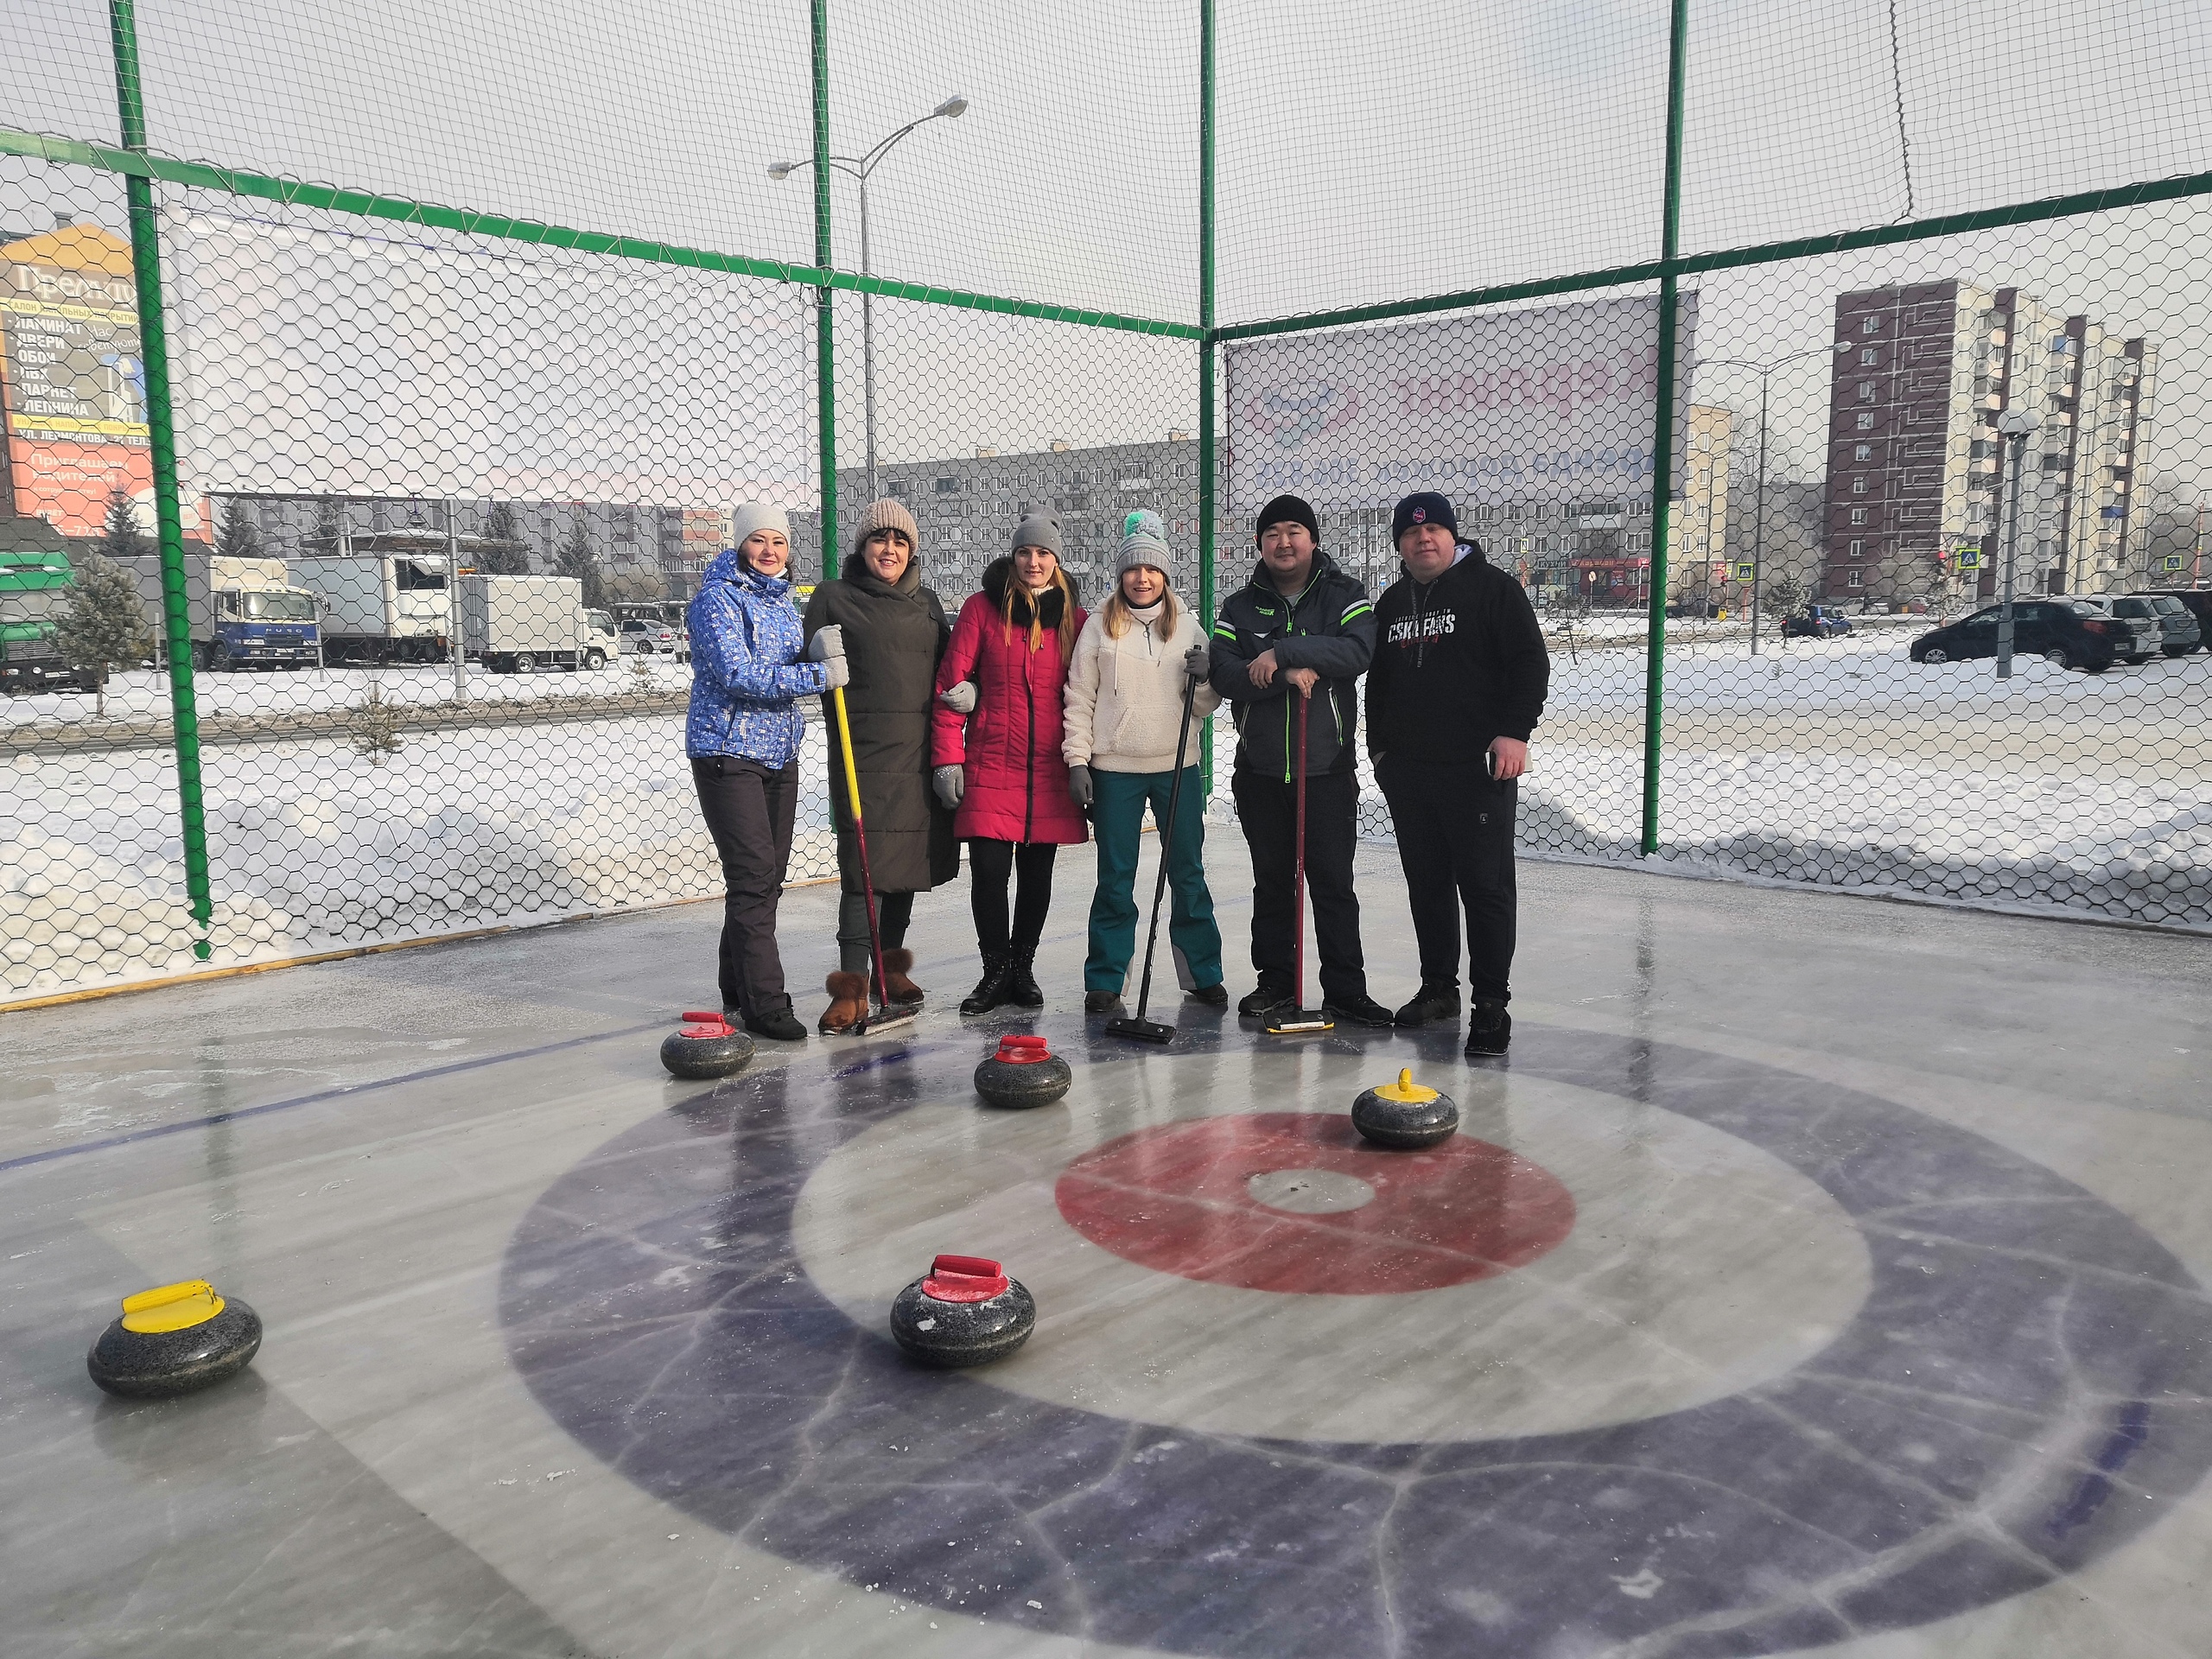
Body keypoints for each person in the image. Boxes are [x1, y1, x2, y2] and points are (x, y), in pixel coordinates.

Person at [1366, 491, 1550, 1056]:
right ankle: (1438, 989)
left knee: (1485, 887)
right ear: (1399, 542)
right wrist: (1380, 755)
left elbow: (1529, 663)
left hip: (1477, 770)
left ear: (1452, 535)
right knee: (1428, 885)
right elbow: (1378, 686)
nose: (1424, 539)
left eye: (1434, 530)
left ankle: (1491, 1005)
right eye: (1412, 533)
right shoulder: (1392, 603)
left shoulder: (1494, 590)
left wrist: (1516, 731)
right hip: (1411, 773)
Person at [1207, 493, 1395, 1027]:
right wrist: (1284, 677)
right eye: (1272, 534)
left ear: (1312, 539)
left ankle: (1344, 988)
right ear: (1260, 544)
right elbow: (1223, 673)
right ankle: (1276, 983)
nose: (1283, 542)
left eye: (1294, 531)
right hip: (1261, 772)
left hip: (1326, 771)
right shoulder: (1239, 608)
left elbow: (1357, 652)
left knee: (1332, 881)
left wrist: (1283, 652)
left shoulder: (1344, 595)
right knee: (1272, 881)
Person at [683, 504, 843, 1042]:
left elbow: (786, 664)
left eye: (779, 541)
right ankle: (766, 1003)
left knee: (764, 881)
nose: (770, 551)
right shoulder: (717, 599)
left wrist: (816, 651)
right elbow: (735, 673)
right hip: (728, 753)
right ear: (739, 544)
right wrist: (816, 675)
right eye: (758, 540)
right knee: (753, 879)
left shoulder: (783, 602)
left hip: (778, 752)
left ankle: (736, 988)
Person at [803, 499, 958, 1034]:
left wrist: (966, 692)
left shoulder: (928, 604)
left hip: (917, 751)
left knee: (903, 868)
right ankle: (850, 988)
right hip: (862, 751)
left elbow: (949, 667)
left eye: (899, 541)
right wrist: (817, 658)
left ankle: (888, 972)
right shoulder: (833, 598)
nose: (888, 550)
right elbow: (809, 664)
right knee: (861, 869)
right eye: (878, 540)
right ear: (861, 548)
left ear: (912, 550)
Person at [1062, 510, 1226, 1016]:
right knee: (1116, 876)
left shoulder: (1189, 628)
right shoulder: (1097, 627)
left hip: (1176, 766)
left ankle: (1202, 974)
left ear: (1164, 575)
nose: (1142, 578)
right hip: (1115, 770)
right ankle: (1107, 978)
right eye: (1133, 569)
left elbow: (1203, 706)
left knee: (1188, 872)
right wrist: (1078, 761)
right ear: (1121, 575)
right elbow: (1079, 698)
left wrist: (1207, 677)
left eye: (1151, 569)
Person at [931, 514, 1089, 1014]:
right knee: (990, 873)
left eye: (1044, 554)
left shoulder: (1075, 620)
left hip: (1049, 769)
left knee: (1037, 874)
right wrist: (947, 760)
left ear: (1057, 561)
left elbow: (1090, 694)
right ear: (1013, 557)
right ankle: (994, 971)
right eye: (1026, 553)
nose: (1034, 562)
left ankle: (1023, 968)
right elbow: (948, 689)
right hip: (990, 762)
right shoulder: (981, 609)